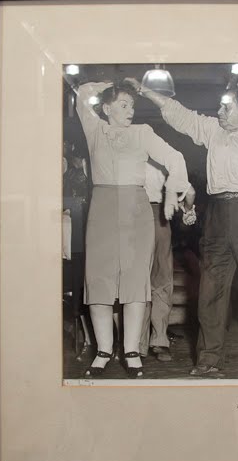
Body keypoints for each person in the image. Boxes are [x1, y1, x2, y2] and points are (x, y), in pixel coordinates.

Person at [125, 77, 238, 376]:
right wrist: (145, 91)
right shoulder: (214, 131)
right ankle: (209, 359)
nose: (219, 112)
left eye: (226, 107)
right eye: (219, 106)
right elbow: (180, 115)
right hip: (218, 215)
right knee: (210, 291)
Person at [75, 81, 190, 378]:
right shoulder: (94, 129)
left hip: (136, 209)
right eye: (123, 105)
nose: (130, 111)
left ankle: (131, 352)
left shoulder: (143, 133)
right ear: (106, 108)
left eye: (132, 106)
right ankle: (103, 351)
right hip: (101, 208)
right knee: (98, 282)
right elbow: (82, 95)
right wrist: (105, 84)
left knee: (135, 282)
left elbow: (176, 158)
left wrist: (171, 191)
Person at [139, 160, 196, 362]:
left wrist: (185, 208)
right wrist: (187, 209)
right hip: (147, 216)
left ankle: (147, 342)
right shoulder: (165, 159)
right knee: (156, 280)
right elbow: (190, 193)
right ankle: (151, 342)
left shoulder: (164, 159)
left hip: (149, 216)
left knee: (149, 280)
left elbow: (189, 191)